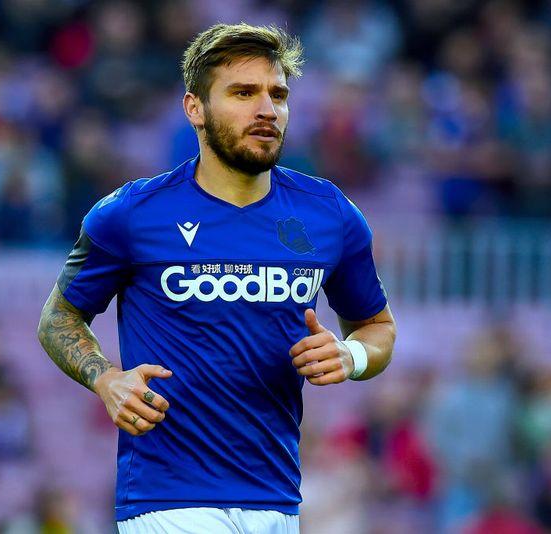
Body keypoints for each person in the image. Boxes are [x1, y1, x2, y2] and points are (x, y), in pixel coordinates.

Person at [37, 22, 396, 534]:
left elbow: (377, 327)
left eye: (277, 95)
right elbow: (59, 317)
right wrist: (105, 378)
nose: (266, 109)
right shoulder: (132, 214)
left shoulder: (329, 214)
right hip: (168, 499)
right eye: (243, 93)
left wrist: (351, 354)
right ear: (195, 109)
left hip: (277, 499)